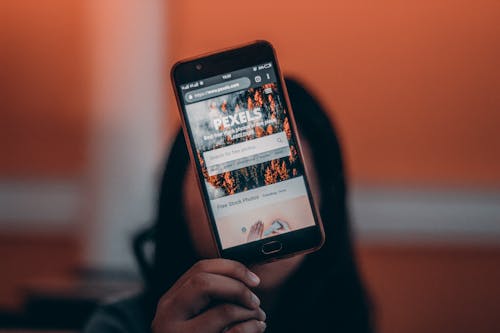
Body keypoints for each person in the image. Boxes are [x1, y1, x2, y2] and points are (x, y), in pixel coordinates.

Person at [84, 78, 373, 333]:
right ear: (177, 198)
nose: (258, 215)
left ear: (325, 199)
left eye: (278, 178)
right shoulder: (118, 325)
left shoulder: (346, 319)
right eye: (227, 181)